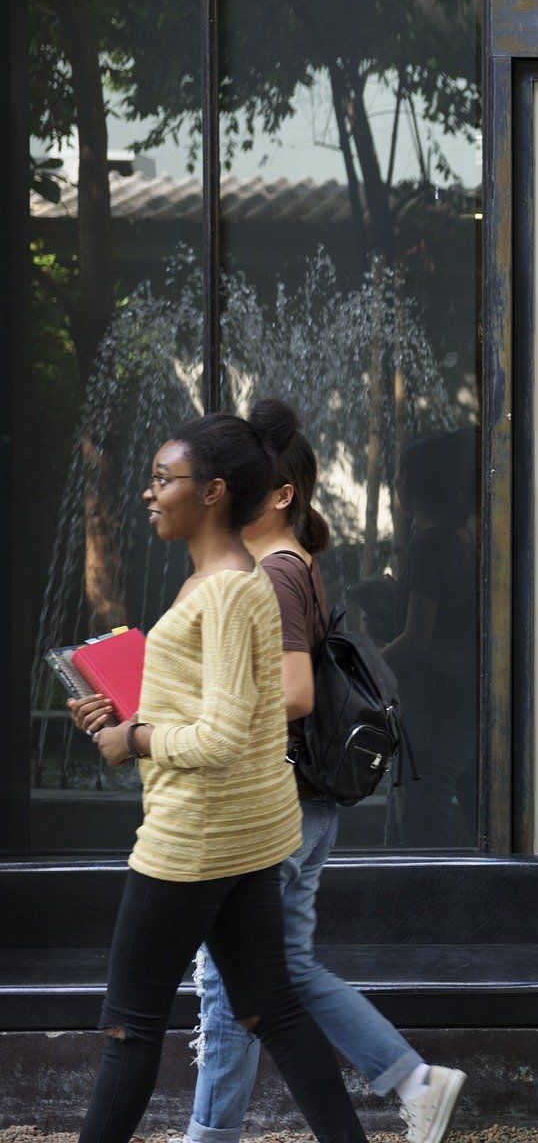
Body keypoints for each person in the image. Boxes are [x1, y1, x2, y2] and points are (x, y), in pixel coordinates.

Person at [65, 414, 366, 1143]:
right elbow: (225, 706)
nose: (150, 493)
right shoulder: (223, 582)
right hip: (243, 835)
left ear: (215, 491)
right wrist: (125, 710)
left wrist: (133, 737)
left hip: (195, 839)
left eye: (165, 479)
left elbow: (226, 735)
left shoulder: (229, 591)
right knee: (275, 1011)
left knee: (129, 1030)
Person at [183, 400, 466, 1143]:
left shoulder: (272, 574)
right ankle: (415, 1080)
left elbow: (297, 693)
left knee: (227, 983)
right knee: (282, 970)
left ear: (277, 494)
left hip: (272, 803)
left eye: (232, 486)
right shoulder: (295, 563)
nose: (217, 499)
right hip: (303, 804)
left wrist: (193, 715)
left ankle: (209, 1136)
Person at [383, 428, 480, 847]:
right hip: (459, 703)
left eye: (404, 472)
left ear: (421, 482)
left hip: (431, 709)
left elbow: (416, 639)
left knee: (423, 823)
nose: (398, 481)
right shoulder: (463, 541)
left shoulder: (429, 546)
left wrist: (364, 665)